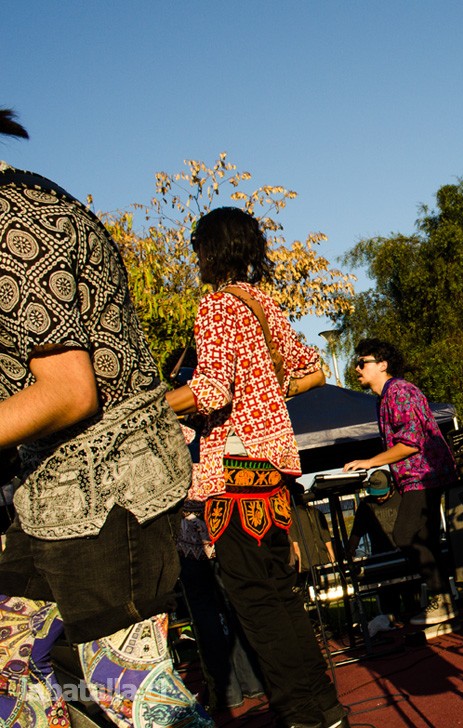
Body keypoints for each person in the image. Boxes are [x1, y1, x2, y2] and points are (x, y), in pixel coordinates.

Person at [0, 109, 212, 727]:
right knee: (10, 669)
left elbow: (69, 391)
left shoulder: (17, 219)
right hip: (50, 494)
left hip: (111, 483)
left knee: (130, 690)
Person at [164, 206, 346, 728]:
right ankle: (324, 709)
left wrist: (153, 403)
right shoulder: (264, 303)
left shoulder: (216, 307)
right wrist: (268, 390)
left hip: (235, 466)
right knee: (279, 594)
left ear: (211, 250)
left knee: (255, 602)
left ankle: (301, 716)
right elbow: (311, 371)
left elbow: (212, 390)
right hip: (273, 465)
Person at [343, 339, 457, 627]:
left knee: (405, 535)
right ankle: (443, 600)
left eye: (362, 362)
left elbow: (410, 443)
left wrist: (370, 462)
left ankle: (441, 596)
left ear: (383, 365)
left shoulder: (399, 392)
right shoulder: (385, 397)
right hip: (416, 476)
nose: (357, 368)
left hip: (424, 474)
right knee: (424, 538)